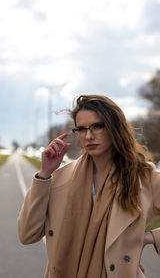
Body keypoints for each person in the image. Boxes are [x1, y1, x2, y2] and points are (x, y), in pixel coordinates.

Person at [18, 94, 160, 278]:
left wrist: (150, 238)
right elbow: (27, 234)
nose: (89, 136)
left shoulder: (144, 178)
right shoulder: (59, 179)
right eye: (82, 129)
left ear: (114, 127)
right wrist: (44, 174)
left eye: (97, 126)